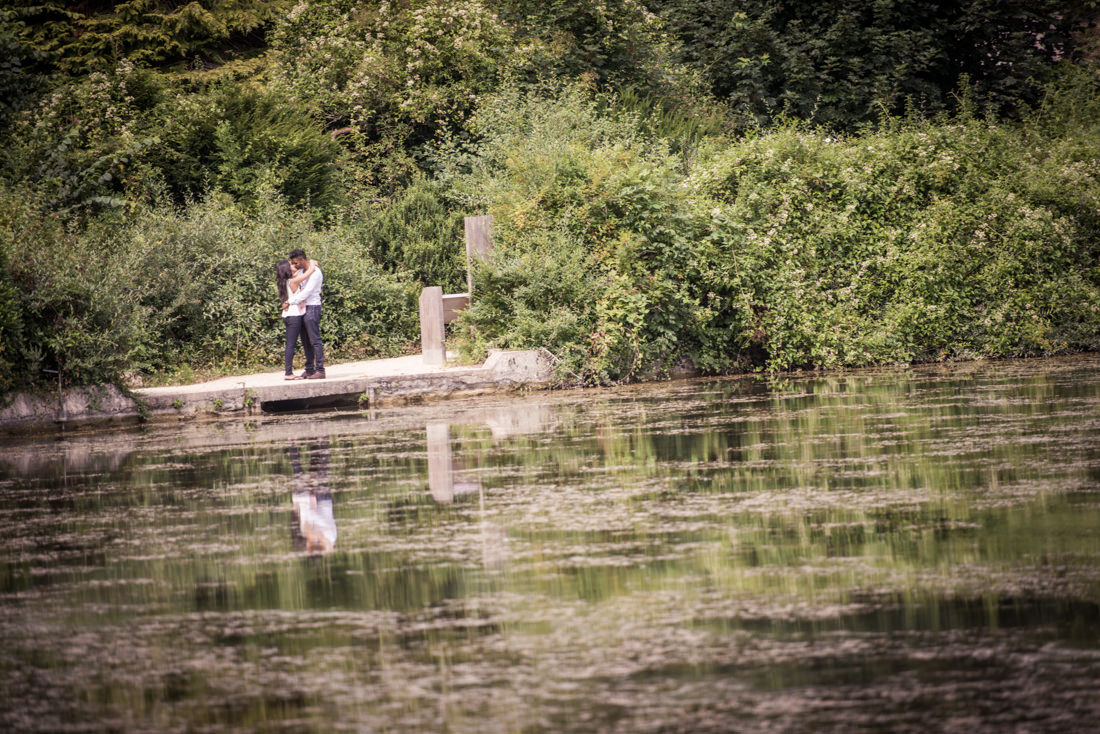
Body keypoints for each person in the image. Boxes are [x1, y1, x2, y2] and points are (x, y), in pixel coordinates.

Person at [284, 248, 325, 379]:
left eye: (296, 263)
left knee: (314, 340)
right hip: (303, 309)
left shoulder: (316, 273)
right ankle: (309, 369)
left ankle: (320, 370)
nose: (294, 266)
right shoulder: (303, 271)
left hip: (313, 307)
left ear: (302, 260)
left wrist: (291, 301)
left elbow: (307, 292)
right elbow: (292, 281)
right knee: (306, 341)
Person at [276, 258, 317, 381]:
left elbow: (284, 302)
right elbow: (309, 273)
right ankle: (288, 373)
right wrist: (312, 264)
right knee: (291, 345)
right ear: (287, 270)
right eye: (291, 265)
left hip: (289, 315)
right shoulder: (293, 282)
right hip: (295, 316)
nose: (294, 265)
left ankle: (308, 369)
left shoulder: (283, 282)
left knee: (291, 344)